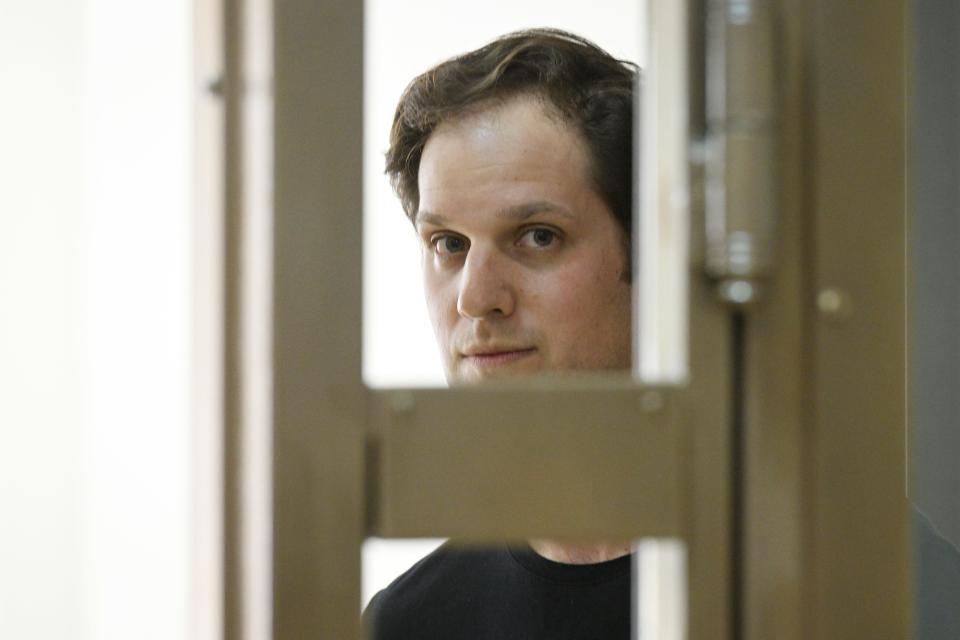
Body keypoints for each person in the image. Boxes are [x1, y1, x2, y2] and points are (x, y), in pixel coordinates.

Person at [364, 28, 639, 640]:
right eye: (449, 245)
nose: (474, 298)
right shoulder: (407, 622)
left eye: (537, 236)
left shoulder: (845, 581)